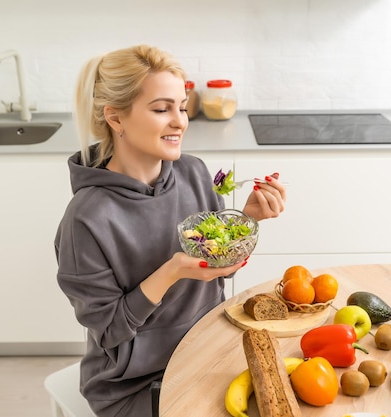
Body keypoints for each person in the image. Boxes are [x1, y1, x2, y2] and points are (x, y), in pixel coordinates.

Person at [54, 44, 287, 417]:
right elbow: (110, 330)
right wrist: (172, 271)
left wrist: (246, 221)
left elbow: (214, 270)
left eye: (182, 106)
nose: (180, 121)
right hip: (135, 383)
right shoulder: (86, 219)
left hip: (205, 348)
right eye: (162, 109)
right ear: (115, 118)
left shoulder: (193, 172)